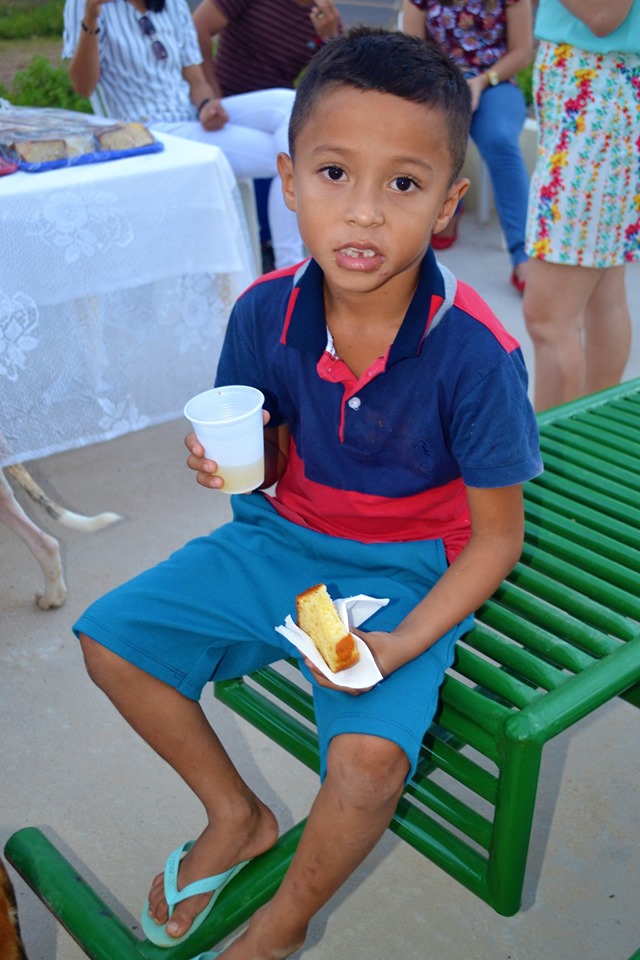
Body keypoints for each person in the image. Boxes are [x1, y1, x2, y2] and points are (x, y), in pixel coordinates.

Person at [73, 27, 542, 960]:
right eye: (335, 173)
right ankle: (234, 814)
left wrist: (406, 640)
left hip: (408, 568)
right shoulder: (264, 312)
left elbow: (495, 539)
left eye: (402, 185)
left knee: (368, 766)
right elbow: (277, 446)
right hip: (281, 536)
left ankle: (280, 929)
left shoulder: (476, 354)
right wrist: (240, 462)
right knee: (111, 639)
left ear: (448, 205)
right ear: (289, 179)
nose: (363, 213)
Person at [62, 0, 304, 271]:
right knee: (284, 158)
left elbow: (195, 79)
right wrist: (91, 17)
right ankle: (289, 268)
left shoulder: (172, 3)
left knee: (291, 104)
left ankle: (287, 268)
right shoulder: (86, 5)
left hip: (189, 117)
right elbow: (83, 86)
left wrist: (206, 105)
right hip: (146, 131)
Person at [522, 0, 640, 411]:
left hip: (595, 95)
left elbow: (605, 14)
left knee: (548, 317)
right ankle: (592, 429)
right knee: (603, 293)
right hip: (602, 91)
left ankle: (554, 460)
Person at [191, 0, 342, 269]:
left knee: (291, 150)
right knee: (294, 145)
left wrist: (329, 38)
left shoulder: (324, 15)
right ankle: (287, 262)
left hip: (277, 120)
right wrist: (211, 96)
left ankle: (284, 261)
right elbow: (198, 27)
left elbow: (337, 89)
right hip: (227, 108)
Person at [402, 0, 534, 293]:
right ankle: (448, 207)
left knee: (500, 140)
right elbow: (411, 48)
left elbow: (523, 51)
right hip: (438, 83)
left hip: (496, 82)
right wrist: (449, 86)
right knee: (426, 136)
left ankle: (523, 254)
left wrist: (482, 82)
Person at [192, 0, 342, 97]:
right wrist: (210, 91)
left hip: (274, 109)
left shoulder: (327, 19)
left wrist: (329, 39)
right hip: (228, 97)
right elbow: (197, 28)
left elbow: (337, 85)